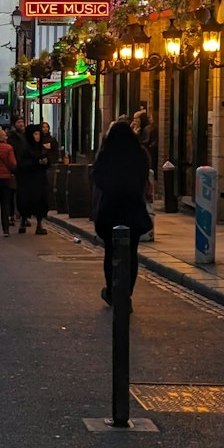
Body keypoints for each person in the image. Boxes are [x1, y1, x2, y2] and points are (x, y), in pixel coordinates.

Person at [91, 118, 152, 311]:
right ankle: (126, 294)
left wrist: (110, 189)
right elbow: (144, 177)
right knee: (131, 254)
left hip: (111, 209)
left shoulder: (107, 153)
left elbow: (96, 176)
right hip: (133, 208)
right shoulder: (140, 154)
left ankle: (113, 291)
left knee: (111, 253)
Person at [16, 124, 50, 235]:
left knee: (40, 201)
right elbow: (22, 164)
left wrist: (46, 162)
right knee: (26, 201)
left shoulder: (41, 148)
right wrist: (36, 163)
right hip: (28, 181)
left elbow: (47, 159)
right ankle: (23, 220)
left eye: (39, 134)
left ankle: (39, 224)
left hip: (40, 179)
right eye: (35, 134)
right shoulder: (25, 148)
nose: (38, 136)